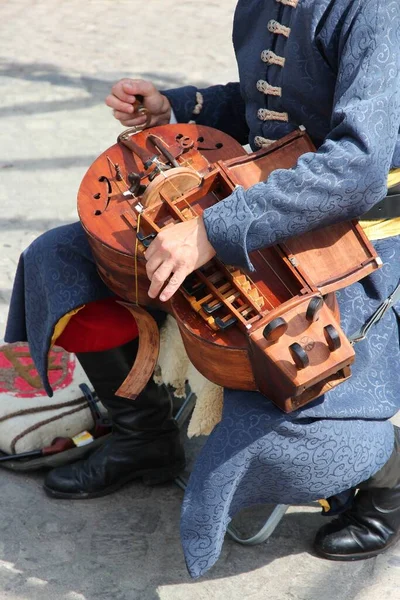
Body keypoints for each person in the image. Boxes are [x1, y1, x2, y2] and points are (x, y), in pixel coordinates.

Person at [4, 0, 400, 579]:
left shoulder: (374, 10)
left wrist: (214, 231)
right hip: (253, 203)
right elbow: (266, 114)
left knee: (307, 443)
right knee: (60, 260)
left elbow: (359, 167)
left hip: (350, 239)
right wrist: (177, 106)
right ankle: (145, 436)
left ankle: (388, 477)